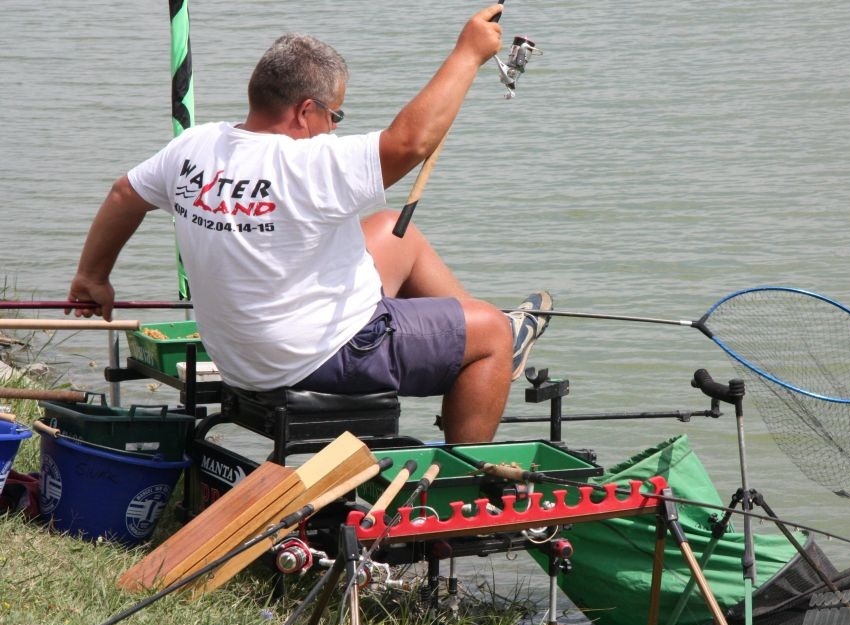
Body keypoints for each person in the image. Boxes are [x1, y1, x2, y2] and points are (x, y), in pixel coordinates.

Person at [66, 4, 553, 444]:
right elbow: (409, 143)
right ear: (305, 111)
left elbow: (124, 194)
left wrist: (92, 277)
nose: (335, 127)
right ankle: (462, 480)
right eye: (334, 115)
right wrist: (467, 54)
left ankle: (464, 362)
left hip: (242, 353)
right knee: (491, 331)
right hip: (319, 355)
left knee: (392, 229)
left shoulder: (193, 147)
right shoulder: (310, 163)